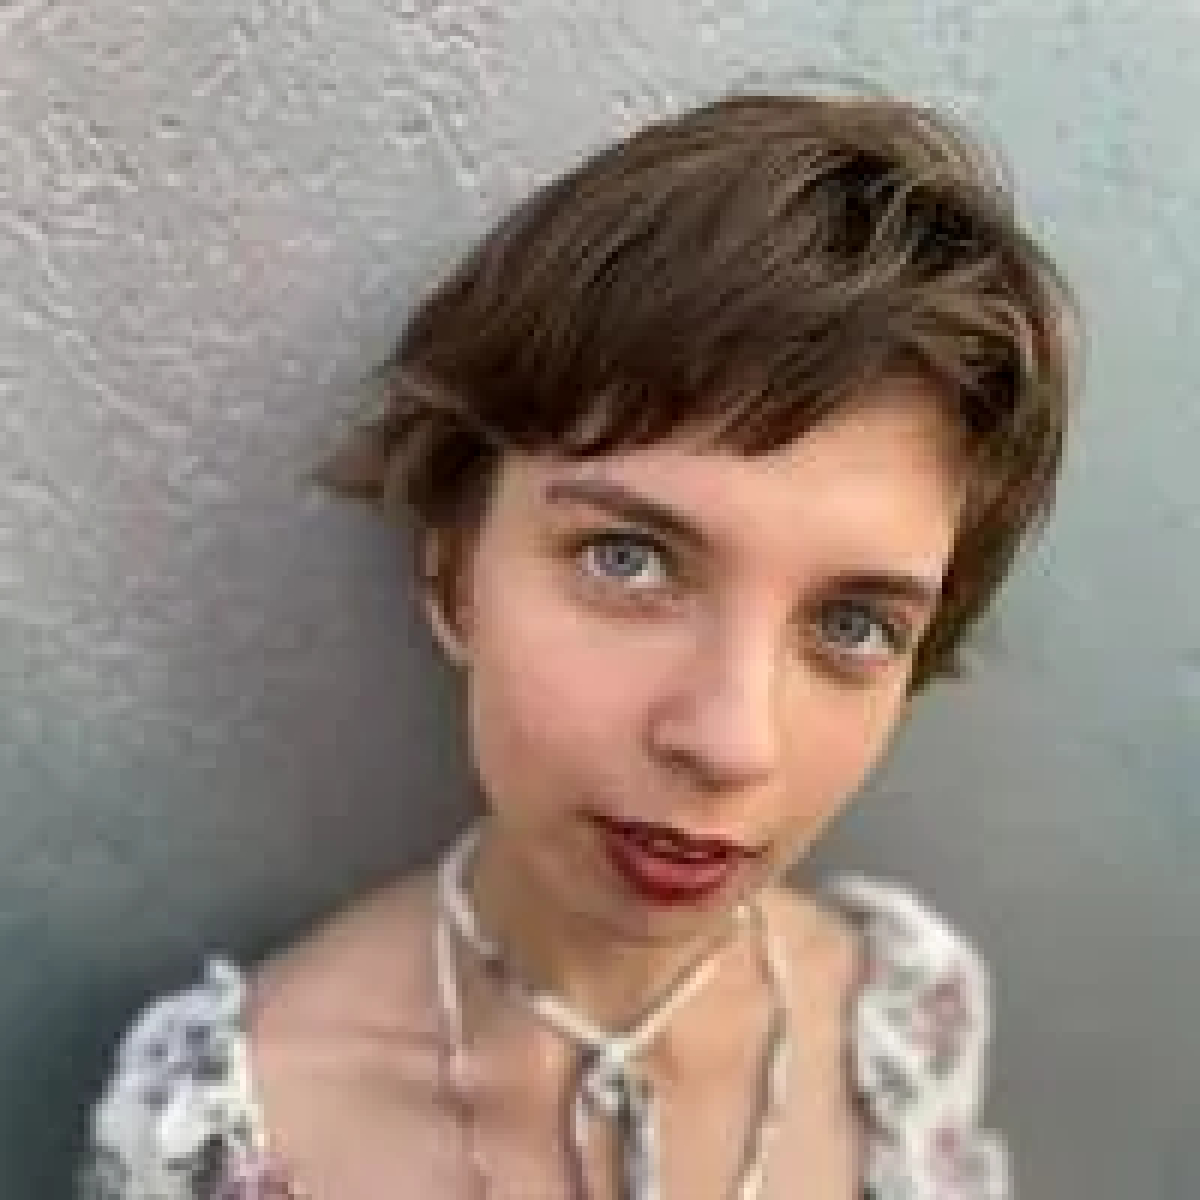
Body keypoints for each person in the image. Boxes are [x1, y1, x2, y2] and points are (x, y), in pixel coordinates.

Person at [77, 92, 1075, 1199]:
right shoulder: (235, 1128)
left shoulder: (902, 1024)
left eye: (854, 625)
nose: (730, 743)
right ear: (454, 569)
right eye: (629, 561)